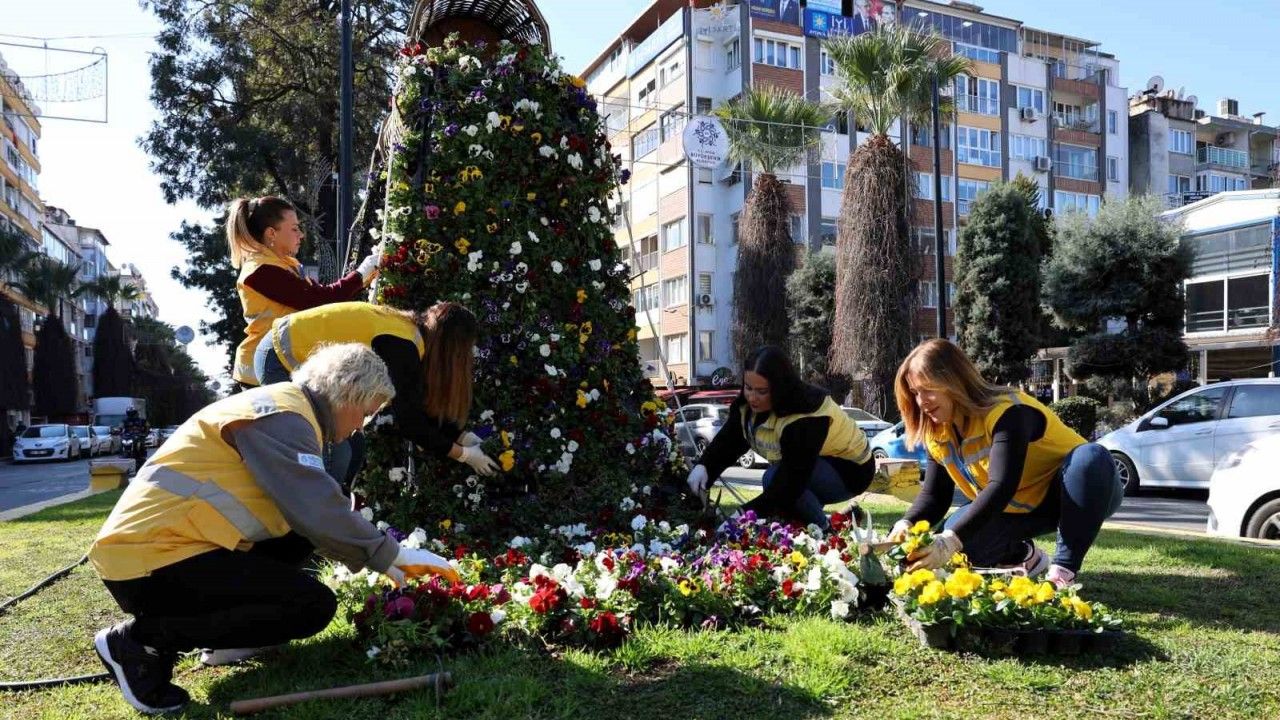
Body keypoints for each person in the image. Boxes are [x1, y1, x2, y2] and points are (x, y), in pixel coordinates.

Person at [89, 344, 457, 715]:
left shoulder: (288, 409)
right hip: (150, 563)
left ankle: (226, 639)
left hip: (167, 550)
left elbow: (309, 512)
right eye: (364, 413)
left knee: (298, 539)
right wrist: (392, 555)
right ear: (346, 392)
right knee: (310, 607)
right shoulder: (283, 415)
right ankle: (138, 644)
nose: (360, 427)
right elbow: (314, 505)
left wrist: (381, 558)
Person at [887, 339, 1123, 587]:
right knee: (957, 548)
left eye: (928, 389)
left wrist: (951, 540)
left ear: (955, 381)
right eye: (915, 393)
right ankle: (1023, 556)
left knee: (1091, 457)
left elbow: (1001, 486)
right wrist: (905, 524)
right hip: (1018, 510)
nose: (921, 401)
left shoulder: (1009, 411)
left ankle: (1063, 570)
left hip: (1077, 494)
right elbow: (935, 496)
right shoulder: (937, 432)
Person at [253, 301, 499, 487]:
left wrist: (462, 437)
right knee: (335, 453)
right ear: (450, 347)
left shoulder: (410, 337)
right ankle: (312, 527)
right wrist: (465, 455)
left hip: (286, 353)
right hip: (281, 358)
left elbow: (413, 403)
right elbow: (410, 421)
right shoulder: (402, 346)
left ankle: (326, 520)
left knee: (353, 447)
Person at [686, 346, 875, 530]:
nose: (752, 398)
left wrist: (742, 515)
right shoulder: (747, 407)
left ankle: (824, 529)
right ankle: (826, 522)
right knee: (782, 495)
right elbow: (730, 441)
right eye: (748, 387)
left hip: (850, 469)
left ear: (780, 388)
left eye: (762, 391)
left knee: (774, 480)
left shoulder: (806, 416)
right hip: (810, 465)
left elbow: (789, 482)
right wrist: (705, 467)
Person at [226, 195, 383, 388]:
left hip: (280, 361)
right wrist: (362, 272)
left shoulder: (285, 264)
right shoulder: (261, 271)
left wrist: (365, 275)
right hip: (265, 368)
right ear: (271, 234)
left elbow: (323, 297)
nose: (301, 235)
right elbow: (321, 300)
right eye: (294, 229)